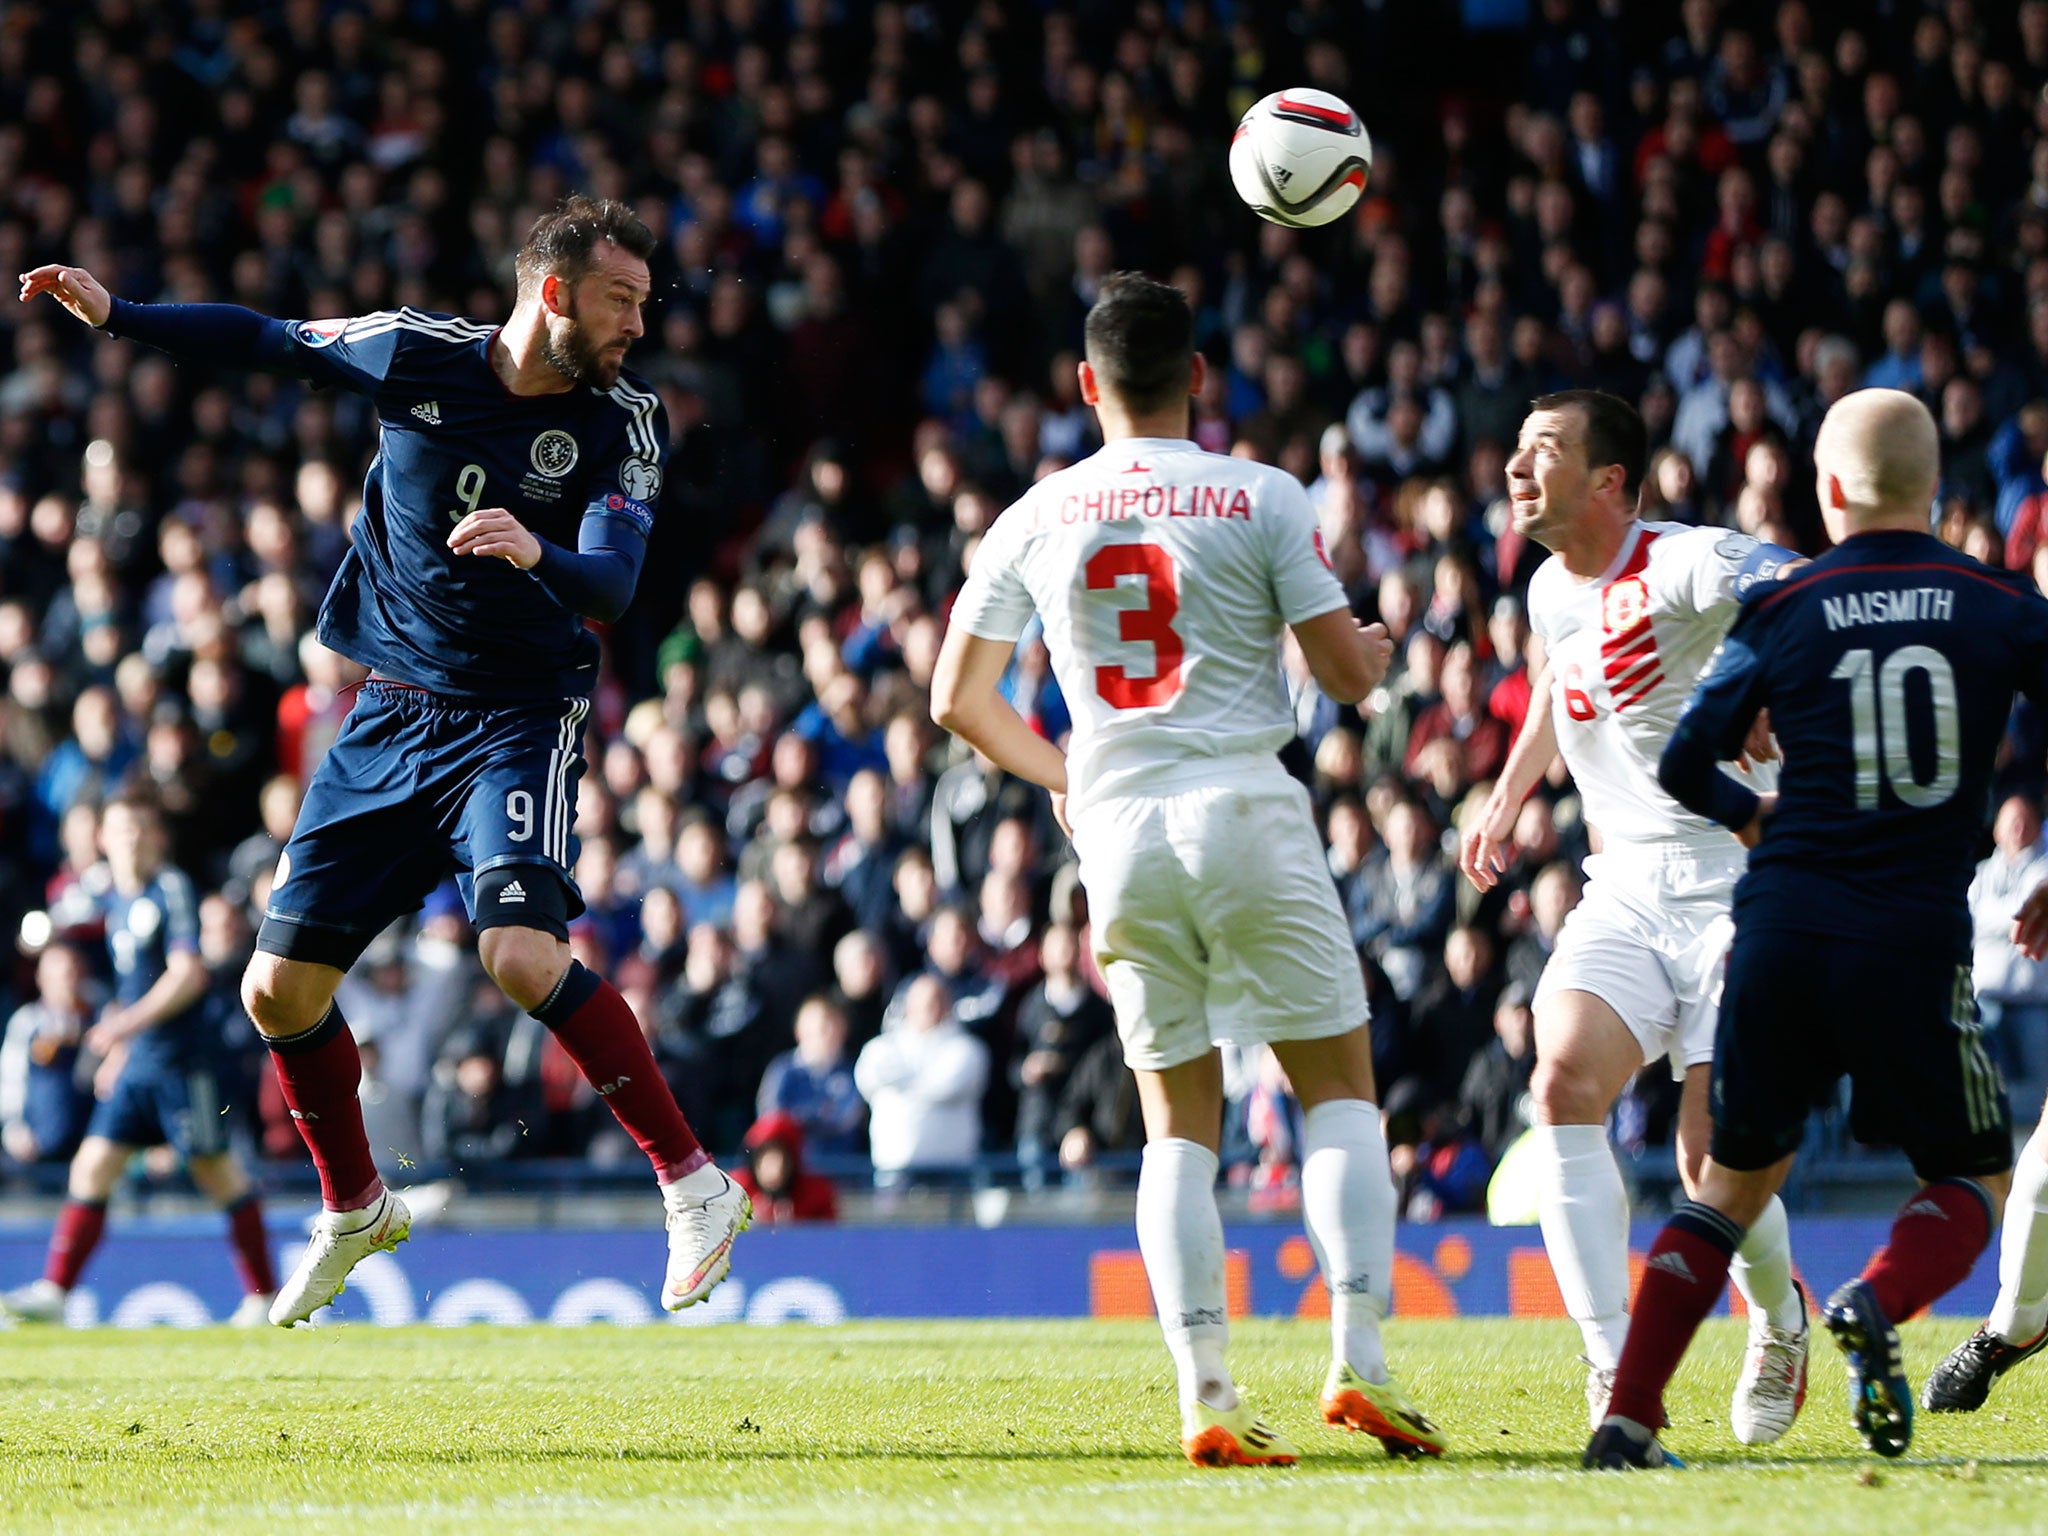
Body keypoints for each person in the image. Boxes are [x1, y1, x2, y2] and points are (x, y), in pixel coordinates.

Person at [16, 195, 749, 1327]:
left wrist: (534, 548)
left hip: (516, 714)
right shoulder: (415, 353)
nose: (636, 325)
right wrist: (120, 316)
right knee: (276, 989)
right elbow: (264, 337)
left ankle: (693, 1184)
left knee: (516, 953)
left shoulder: (623, 420)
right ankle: (354, 1205)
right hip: (391, 712)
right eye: (619, 300)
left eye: (643, 303)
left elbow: (610, 585)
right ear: (550, 290)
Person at [931, 272, 1439, 1467]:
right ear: (1198, 377)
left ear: (1083, 385)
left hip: (1118, 828)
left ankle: (1206, 1390)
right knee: (1338, 1092)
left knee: (1177, 1127)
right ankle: (1359, 1361)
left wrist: (1066, 781)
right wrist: (1363, 648)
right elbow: (1350, 680)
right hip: (1244, 806)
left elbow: (957, 699)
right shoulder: (1262, 493)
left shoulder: (1035, 513)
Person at [1586, 388, 2038, 1467]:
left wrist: (1758, 816)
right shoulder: (1994, 602)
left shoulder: (1786, 607)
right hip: (1910, 939)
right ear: (1934, 493)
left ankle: (1626, 1420)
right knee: (1970, 1181)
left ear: (1826, 492)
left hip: (1781, 927)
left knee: (1728, 1192)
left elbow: (1683, 759)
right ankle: (1875, 1303)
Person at [1458, 388, 1809, 1443]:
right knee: (1559, 1079)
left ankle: (1778, 1316)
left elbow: (1793, 583)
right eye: (1517, 451)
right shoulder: (1544, 588)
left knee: (1712, 1162)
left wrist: (1762, 687)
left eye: (1543, 451)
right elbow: (1562, 678)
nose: (1517, 470)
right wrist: (1511, 791)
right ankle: (1613, 1375)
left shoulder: (1684, 560)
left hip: (1739, 888)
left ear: (1608, 481)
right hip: (1623, 887)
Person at [0, 791, 276, 1325]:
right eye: (121, 829)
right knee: (91, 1170)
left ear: (158, 838)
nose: (131, 840)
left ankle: (263, 1295)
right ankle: (56, 1294)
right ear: (103, 839)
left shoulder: (169, 889)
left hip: (181, 1066)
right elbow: (141, 984)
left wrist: (123, 1026)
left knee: (218, 1174)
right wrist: (122, 1050)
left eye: (141, 829)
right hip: (138, 1066)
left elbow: (187, 975)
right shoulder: (117, 902)